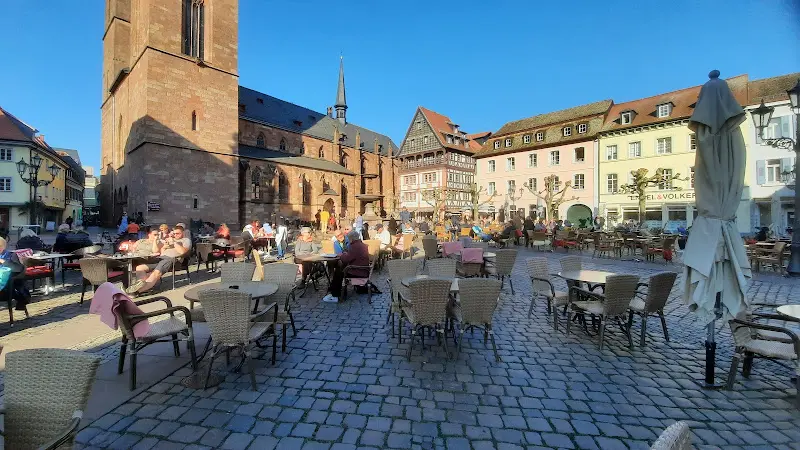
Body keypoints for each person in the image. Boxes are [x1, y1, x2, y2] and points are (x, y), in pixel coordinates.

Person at [127, 225, 191, 294]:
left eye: (178, 233)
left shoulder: (186, 240)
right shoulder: (170, 240)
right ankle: (143, 286)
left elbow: (182, 252)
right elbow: (162, 251)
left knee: (156, 272)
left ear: (183, 233)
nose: (175, 235)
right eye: (174, 233)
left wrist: (174, 243)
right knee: (140, 267)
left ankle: (137, 291)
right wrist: (165, 247)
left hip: (172, 259)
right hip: (161, 258)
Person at [323, 230, 369, 303]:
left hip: (357, 271)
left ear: (351, 238)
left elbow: (346, 259)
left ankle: (335, 294)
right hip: (363, 269)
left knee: (338, 272)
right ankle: (334, 290)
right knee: (340, 269)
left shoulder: (354, 246)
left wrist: (342, 255)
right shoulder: (362, 245)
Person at [0, 237, 28, 311]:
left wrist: (3, 261)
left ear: (2, 246)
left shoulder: (11, 255)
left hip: (6, 289)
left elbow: (18, 269)